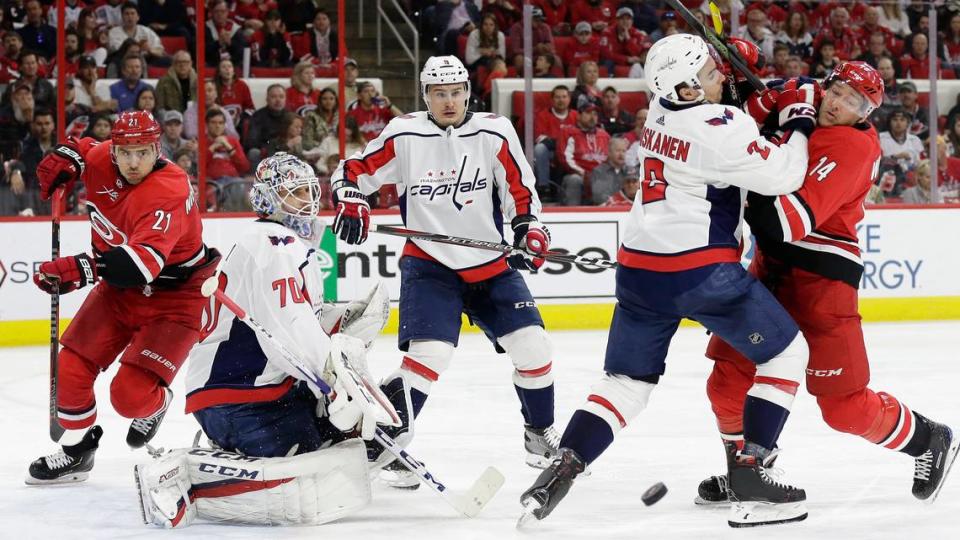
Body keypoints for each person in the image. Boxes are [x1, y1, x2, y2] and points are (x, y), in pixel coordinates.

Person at [519, 34, 816, 528]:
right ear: (689, 89)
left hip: (639, 270)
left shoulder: (659, 106)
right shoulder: (718, 124)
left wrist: (728, 72)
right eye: (708, 73)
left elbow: (715, 106)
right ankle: (751, 471)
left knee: (626, 383)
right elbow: (784, 174)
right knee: (786, 354)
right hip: (701, 269)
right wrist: (800, 119)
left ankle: (563, 467)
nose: (720, 75)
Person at [696, 61, 958, 508]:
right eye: (836, 91)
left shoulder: (851, 146)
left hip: (822, 284)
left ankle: (928, 439)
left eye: (852, 102)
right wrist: (734, 84)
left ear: (865, 115)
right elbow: (767, 98)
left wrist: (765, 146)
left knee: (843, 408)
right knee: (726, 381)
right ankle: (746, 470)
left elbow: (781, 223)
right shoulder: (811, 99)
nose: (837, 104)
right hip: (771, 271)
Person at [331, 55, 560, 487]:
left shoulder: (493, 130)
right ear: (426, 97)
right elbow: (354, 170)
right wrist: (351, 198)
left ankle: (538, 433)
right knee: (428, 356)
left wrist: (529, 229)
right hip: (430, 264)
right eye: (439, 94)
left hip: (491, 265)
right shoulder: (405, 133)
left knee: (535, 348)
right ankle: (384, 442)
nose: (449, 101)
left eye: (456, 92)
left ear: (468, 92)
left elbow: (520, 191)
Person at [137, 153, 393, 528]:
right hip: (239, 399)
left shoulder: (282, 244)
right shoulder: (273, 245)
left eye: (308, 191)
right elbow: (287, 329)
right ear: (266, 200)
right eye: (293, 193)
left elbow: (297, 322)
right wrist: (337, 387)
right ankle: (189, 481)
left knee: (344, 445)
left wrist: (343, 320)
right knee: (310, 477)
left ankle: (228, 452)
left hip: (258, 394)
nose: (306, 201)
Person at [25, 110, 219, 484]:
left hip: (176, 298)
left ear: (157, 149)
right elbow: (84, 148)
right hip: (118, 294)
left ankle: (157, 404)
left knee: (128, 396)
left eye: (143, 152)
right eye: (125, 152)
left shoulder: (170, 187)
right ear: (114, 150)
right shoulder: (103, 158)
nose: (133, 162)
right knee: (67, 375)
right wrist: (67, 155)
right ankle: (78, 451)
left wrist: (80, 269)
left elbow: (139, 266)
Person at [558, 99, 610, 206]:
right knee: (574, 180)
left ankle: (607, 215)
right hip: (578, 175)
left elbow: (610, 159)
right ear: (578, 116)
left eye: (595, 114)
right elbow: (564, 158)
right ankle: (572, 217)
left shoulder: (604, 135)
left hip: (600, 176)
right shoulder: (568, 132)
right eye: (588, 113)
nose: (592, 116)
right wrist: (585, 174)